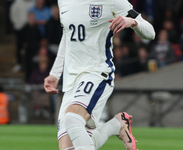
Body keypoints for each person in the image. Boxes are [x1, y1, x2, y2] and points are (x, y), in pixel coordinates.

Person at [44, 0, 155, 149]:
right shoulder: (64, 1)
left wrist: (132, 22)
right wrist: (55, 73)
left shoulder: (113, 2)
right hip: (72, 81)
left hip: (97, 73)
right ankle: (117, 125)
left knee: (72, 118)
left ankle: (116, 125)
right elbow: (68, 34)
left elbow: (150, 32)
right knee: (69, 147)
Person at [10, 0, 35, 72]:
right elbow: (13, 14)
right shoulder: (17, 3)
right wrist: (17, 24)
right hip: (19, 28)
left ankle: (27, 64)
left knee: (28, 46)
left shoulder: (32, 3)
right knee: (19, 46)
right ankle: (19, 63)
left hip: (29, 28)